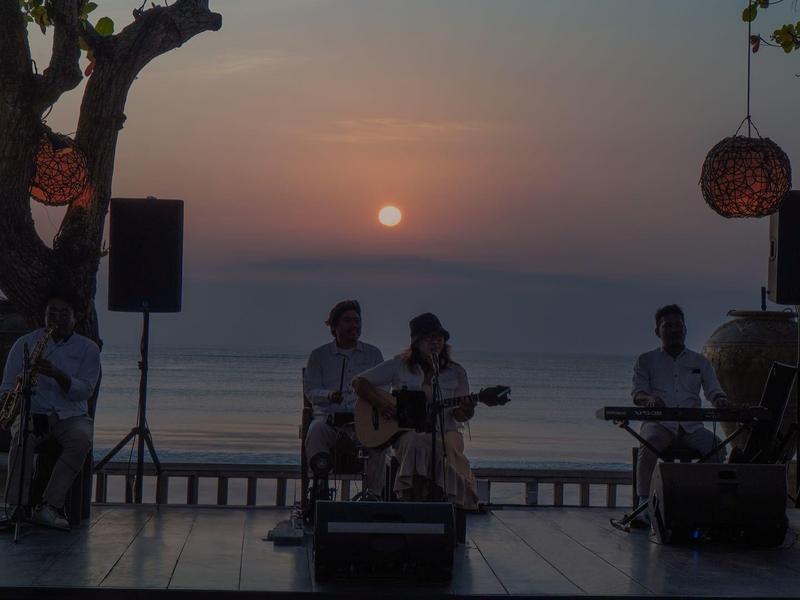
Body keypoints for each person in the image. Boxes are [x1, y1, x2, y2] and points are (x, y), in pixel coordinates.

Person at [352, 312, 479, 522]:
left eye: (439, 337)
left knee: (444, 444)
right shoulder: (399, 366)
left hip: (448, 432)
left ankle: (446, 507)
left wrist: (467, 409)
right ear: (416, 342)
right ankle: (413, 504)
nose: (435, 341)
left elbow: (460, 414)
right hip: (406, 433)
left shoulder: (456, 372)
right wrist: (382, 404)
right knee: (415, 440)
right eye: (429, 337)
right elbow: (359, 383)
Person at [1, 291, 101, 530]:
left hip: (71, 415)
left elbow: (85, 391)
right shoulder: (25, 344)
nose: (56, 319)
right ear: (44, 316)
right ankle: (16, 508)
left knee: (81, 439)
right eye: (51, 313)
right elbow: (5, 386)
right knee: (22, 439)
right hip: (34, 411)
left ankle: (50, 506)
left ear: (75, 317)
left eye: (63, 314)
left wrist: (58, 374)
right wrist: (12, 393)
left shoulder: (88, 349)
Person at [631, 304, 728, 523]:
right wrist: (649, 399)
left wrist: (721, 400)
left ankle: (701, 499)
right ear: (658, 331)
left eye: (678, 325)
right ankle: (644, 505)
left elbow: (714, 391)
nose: (674, 329)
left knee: (718, 449)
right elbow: (637, 394)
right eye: (668, 326)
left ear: (685, 329)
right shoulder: (645, 360)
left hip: (691, 426)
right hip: (659, 424)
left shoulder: (700, 361)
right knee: (648, 444)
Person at [303, 300, 384, 508]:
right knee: (316, 431)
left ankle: (374, 496)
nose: (354, 325)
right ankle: (319, 488)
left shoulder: (373, 354)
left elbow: (384, 390)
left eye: (357, 321)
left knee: (380, 440)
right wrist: (330, 395)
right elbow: (311, 391)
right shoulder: (319, 356)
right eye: (348, 321)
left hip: (362, 423)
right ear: (334, 326)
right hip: (329, 422)